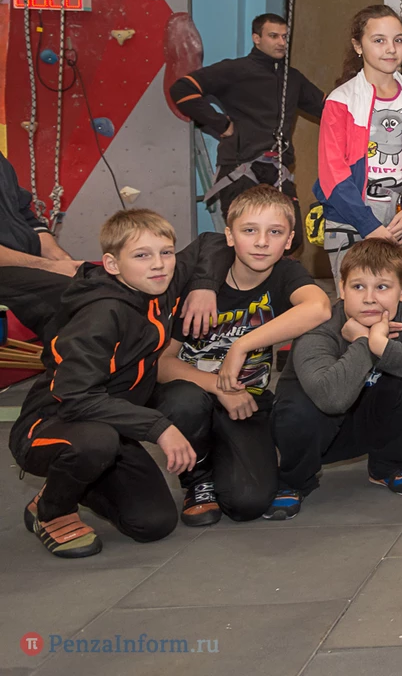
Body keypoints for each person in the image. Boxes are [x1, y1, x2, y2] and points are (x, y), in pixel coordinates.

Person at [10, 210, 229, 556]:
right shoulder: (100, 315)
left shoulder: (160, 282)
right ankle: (52, 510)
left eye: (166, 252)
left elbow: (212, 242)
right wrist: (159, 428)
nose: (158, 264)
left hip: (112, 420)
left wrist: (204, 286)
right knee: (96, 442)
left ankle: (78, 482)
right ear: (112, 264)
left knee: (153, 523)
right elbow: (75, 397)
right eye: (141, 255)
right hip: (53, 424)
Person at [154, 186, 330, 525]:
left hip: (246, 401)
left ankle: (221, 454)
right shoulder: (200, 285)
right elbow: (162, 363)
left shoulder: (285, 274)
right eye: (250, 230)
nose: (262, 242)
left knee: (248, 502)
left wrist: (242, 345)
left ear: (289, 240)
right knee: (184, 402)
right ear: (229, 236)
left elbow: (319, 307)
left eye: (275, 232)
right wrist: (218, 387)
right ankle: (197, 482)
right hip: (192, 392)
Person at [267, 239, 402, 519]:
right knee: (300, 408)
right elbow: (331, 399)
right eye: (358, 287)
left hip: (368, 424)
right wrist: (364, 344)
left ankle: (388, 465)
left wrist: (383, 348)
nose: (369, 298)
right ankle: (294, 480)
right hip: (318, 433)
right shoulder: (320, 325)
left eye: (382, 287)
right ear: (342, 288)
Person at [169, 12, 325, 237]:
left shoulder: (292, 79)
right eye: (273, 36)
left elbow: (329, 108)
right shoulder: (235, 70)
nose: (281, 42)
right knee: (248, 238)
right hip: (241, 168)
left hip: (276, 171)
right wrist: (220, 124)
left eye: (284, 36)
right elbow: (182, 89)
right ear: (256, 38)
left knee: (293, 237)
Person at [313, 4, 402, 279]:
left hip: (401, 221)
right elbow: (332, 174)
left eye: (398, 40)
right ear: (358, 46)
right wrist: (367, 223)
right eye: (379, 40)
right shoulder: (341, 101)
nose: (391, 49)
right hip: (350, 218)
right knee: (359, 300)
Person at [0, 150, 86, 336]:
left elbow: (26, 217)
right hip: (7, 269)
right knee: (72, 294)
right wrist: (49, 266)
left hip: (20, 264)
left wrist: (62, 260)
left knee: (95, 280)